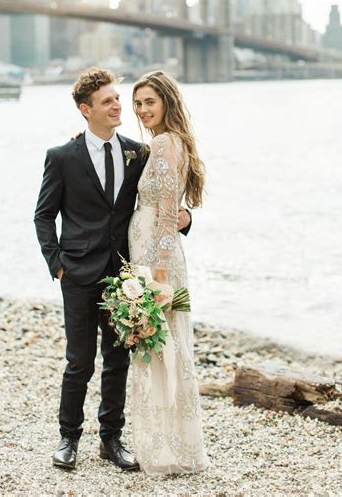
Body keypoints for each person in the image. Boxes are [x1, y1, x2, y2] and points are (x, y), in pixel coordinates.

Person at [33, 67, 191, 471]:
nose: (120, 106)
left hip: (124, 277)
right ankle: (68, 438)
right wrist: (57, 265)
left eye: (120, 99)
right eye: (109, 101)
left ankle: (112, 439)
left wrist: (186, 217)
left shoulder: (138, 151)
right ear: (87, 110)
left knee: (118, 359)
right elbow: (43, 216)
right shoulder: (62, 157)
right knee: (80, 361)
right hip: (78, 274)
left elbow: (161, 198)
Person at [129, 70, 209, 475]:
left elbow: (164, 215)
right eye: (138, 103)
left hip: (157, 260)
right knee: (166, 345)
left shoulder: (163, 143)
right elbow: (171, 208)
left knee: (160, 346)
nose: (143, 111)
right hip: (157, 255)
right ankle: (174, 443)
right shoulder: (168, 143)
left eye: (150, 103)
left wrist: (157, 277)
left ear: (167, 103)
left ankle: (166, 448)